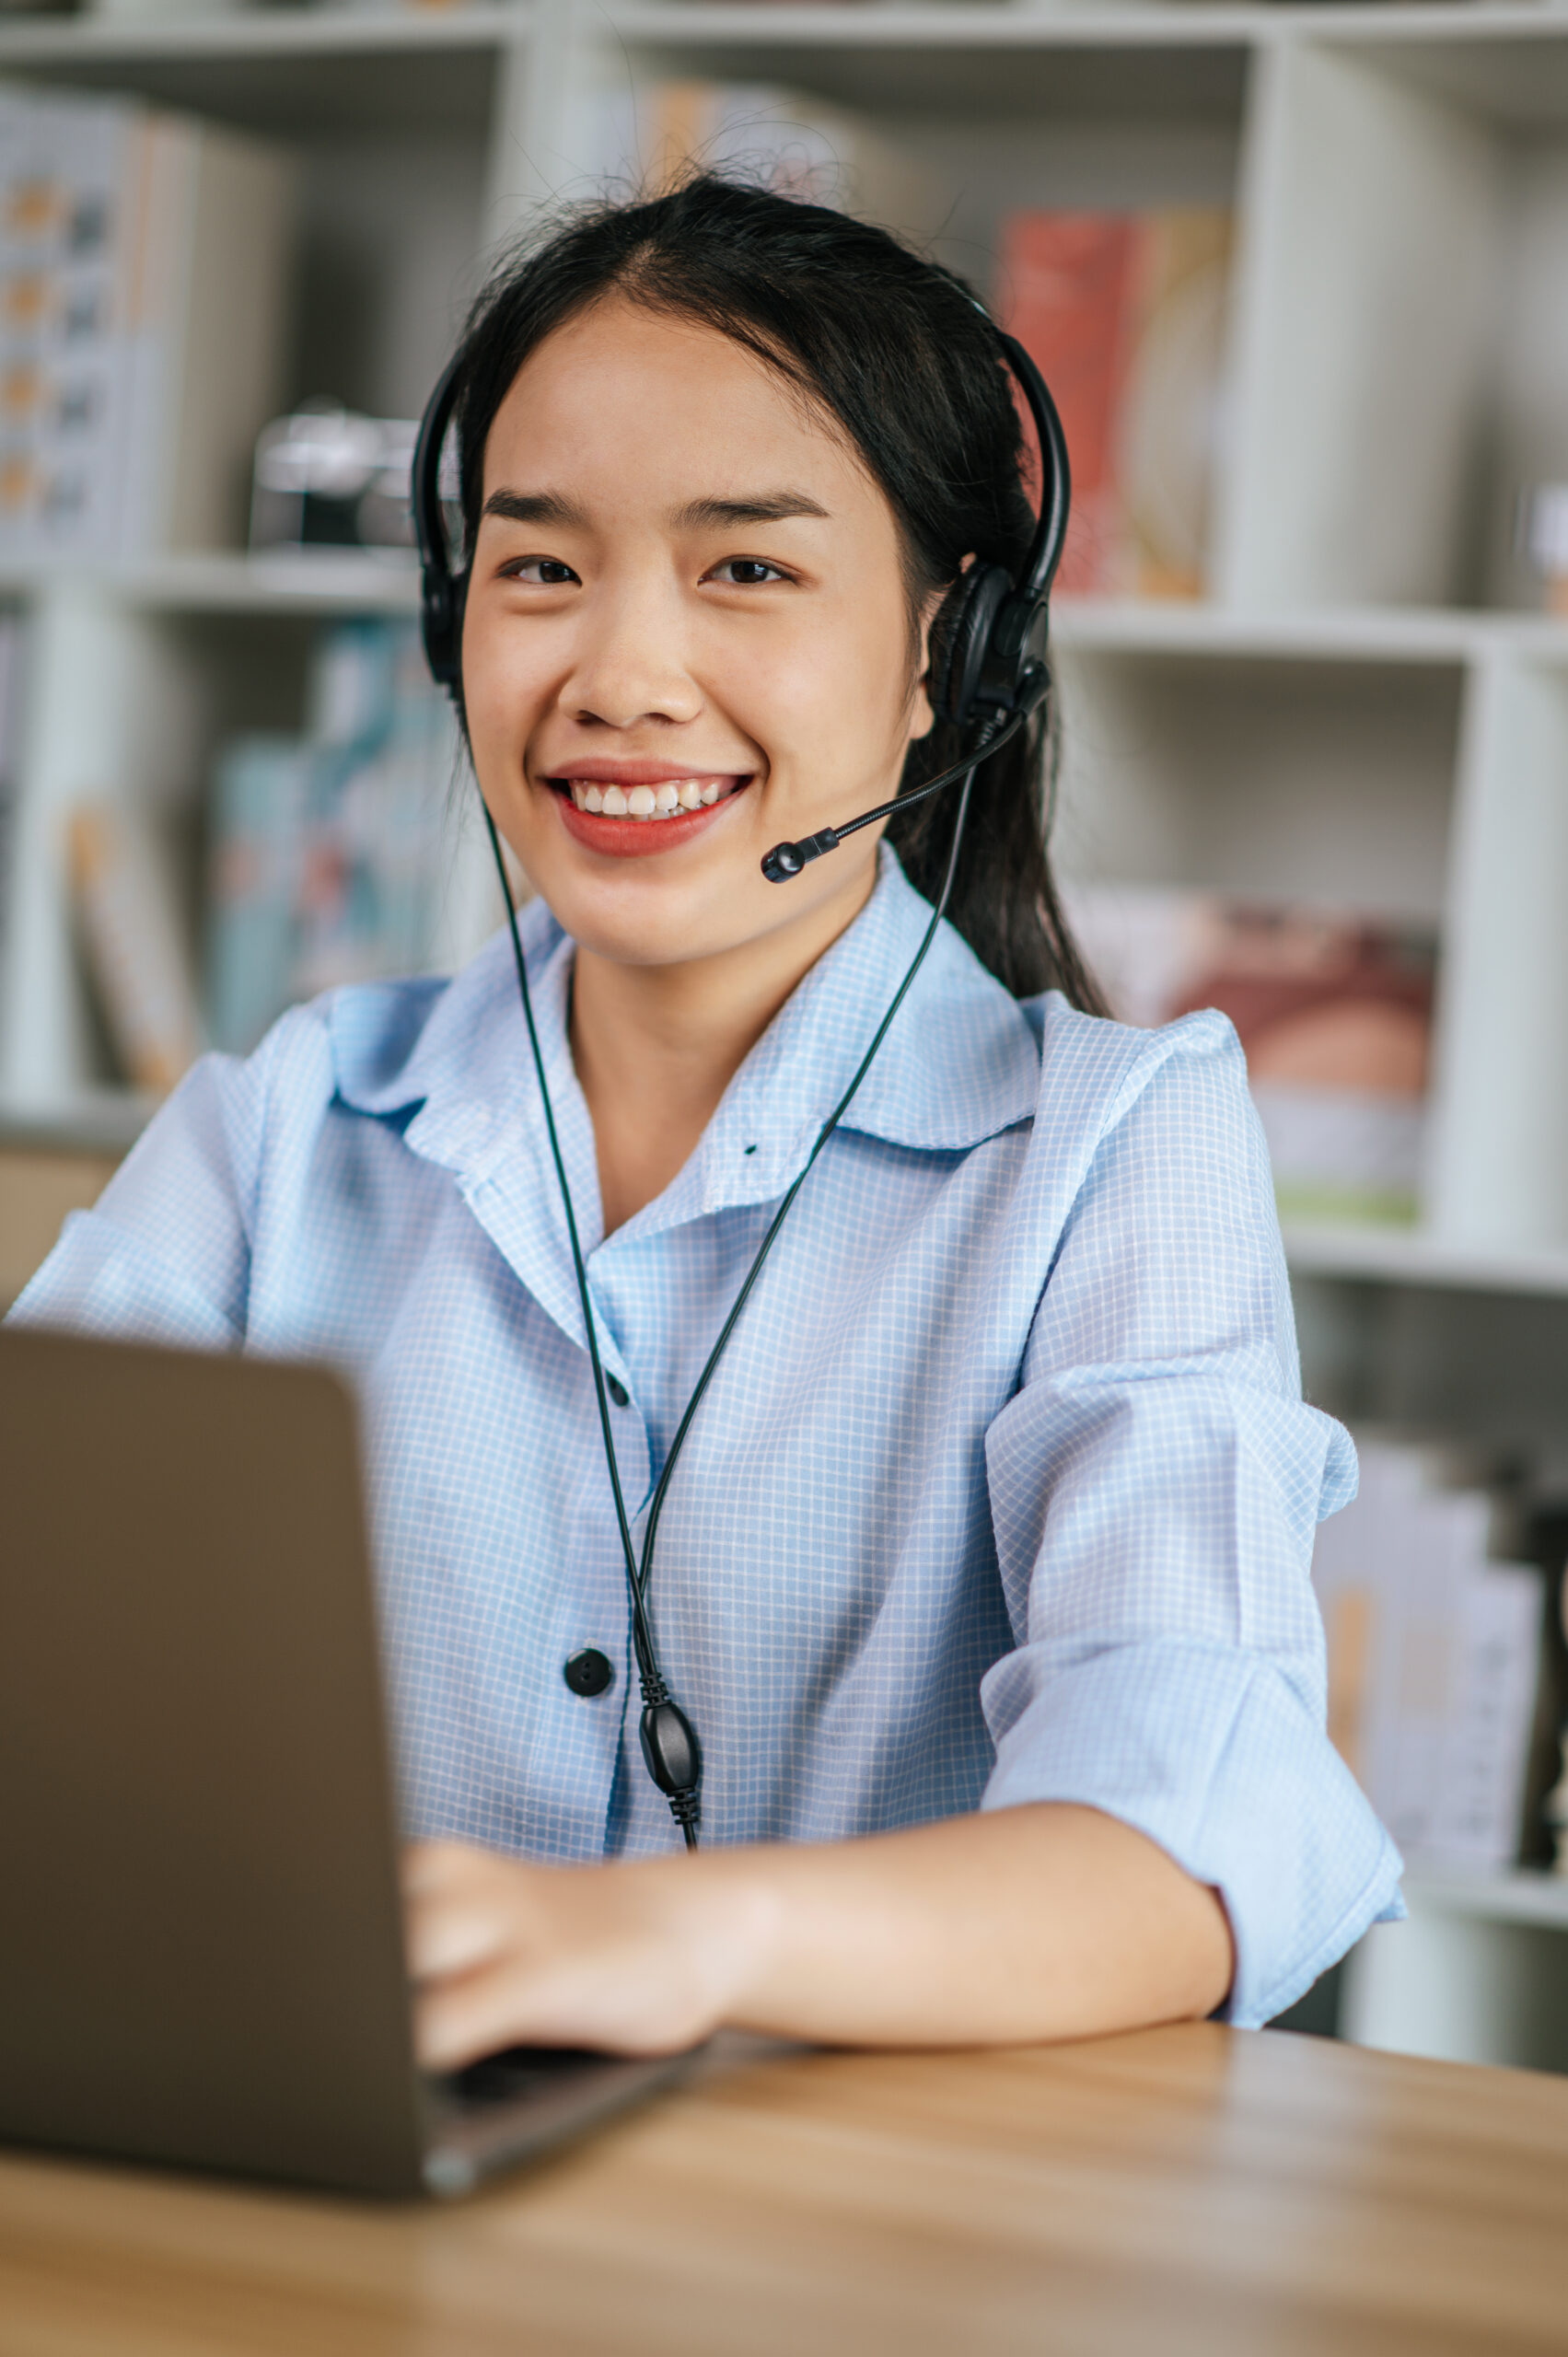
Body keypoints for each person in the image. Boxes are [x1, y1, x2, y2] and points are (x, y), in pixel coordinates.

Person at [9, 176, 1400, 2069]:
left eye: (746, 566)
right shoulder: (284, 1130)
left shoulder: (1111, 1152)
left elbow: (1192, 1841)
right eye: (539, 565)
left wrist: (671, 1935)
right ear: (452, 622)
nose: (621, 677)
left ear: (947, 656)